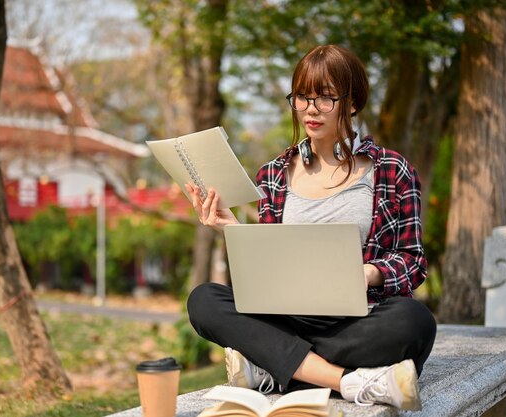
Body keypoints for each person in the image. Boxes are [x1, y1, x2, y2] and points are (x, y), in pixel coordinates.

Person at [184, 44, 437, 410]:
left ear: (352, 103)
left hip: (357, 320)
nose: (311, 109)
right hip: (287, 318)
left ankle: (273, 366)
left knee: (414, 322)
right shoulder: (272, 175)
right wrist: (233, 230)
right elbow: (268, 271)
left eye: (325, 97)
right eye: (302, 97)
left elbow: (413, 262)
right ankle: (349, 381)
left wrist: (366, 273)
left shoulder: (391, 170)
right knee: (204, 300)